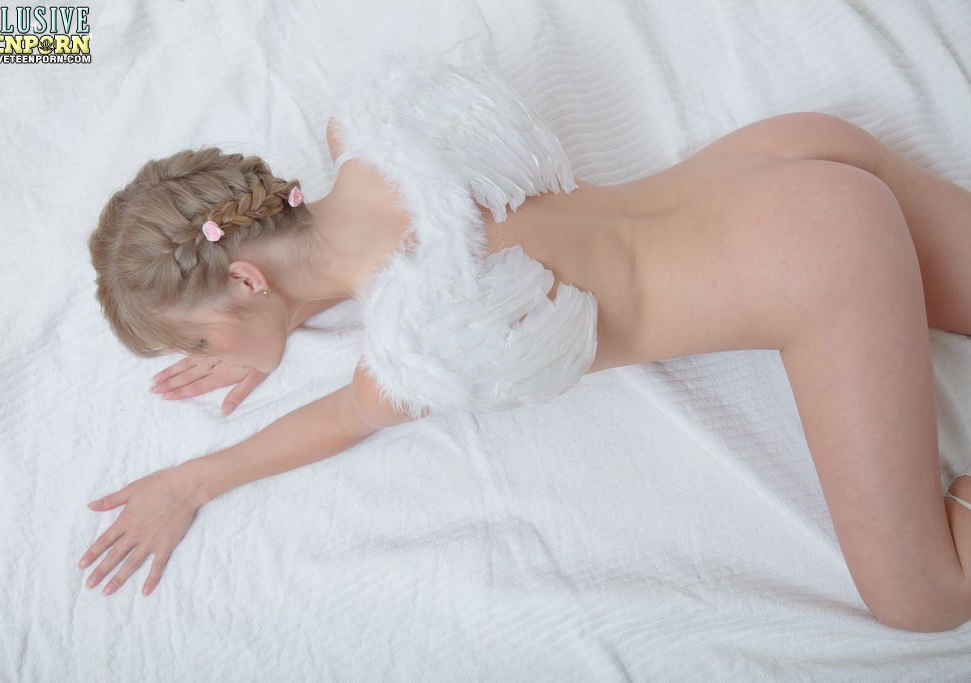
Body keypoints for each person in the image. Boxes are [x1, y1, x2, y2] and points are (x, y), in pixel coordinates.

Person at [82, 62, 971, 632]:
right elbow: (335, 230)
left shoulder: (422, 337)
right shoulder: (378, 138)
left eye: (199, 338)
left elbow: (346, 415)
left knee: (923, 598)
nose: (213, 357)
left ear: (246, 281)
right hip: (789, 155)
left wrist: (192, 480)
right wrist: (270, 324)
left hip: (819, 263)